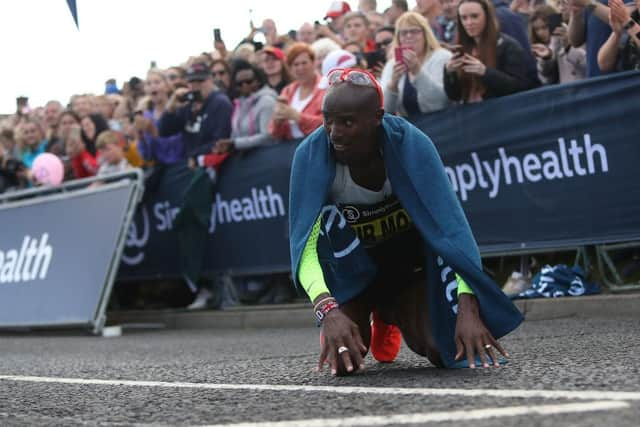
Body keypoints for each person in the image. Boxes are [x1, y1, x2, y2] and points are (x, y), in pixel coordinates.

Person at [289, 68, 522, 375]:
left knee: (448, 351)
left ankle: (390, 313)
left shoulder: (411, 144)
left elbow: (453, 230)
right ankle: (371, 309)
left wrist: (468, 307)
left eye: (347, 122)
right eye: (328, 120)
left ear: (377, 118)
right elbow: (305, 248)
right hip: (352, 274)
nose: (334, 133)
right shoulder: (310, 156)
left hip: (407, 271)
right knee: (344, 363)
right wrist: (326, 309)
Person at [444, 0, 530, 103]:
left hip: (500, 112)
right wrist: (449, 73)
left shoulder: (508, 46)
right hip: (469, 113)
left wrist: (485, 72)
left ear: (487, 17)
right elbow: (454, 96)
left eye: (475, 16)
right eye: (464, 18)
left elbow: (519, 87)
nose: (469, 22)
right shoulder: (461, 47)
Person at [381, 12, 452, 116]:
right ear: (398, 38)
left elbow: (440, 103)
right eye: (404, 33)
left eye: (414, 31)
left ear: (425, 34)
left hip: (440, 123)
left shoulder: (442, 57)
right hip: (408, 128)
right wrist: (393, 84)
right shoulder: (392, 64)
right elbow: (385, 109)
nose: (409, 36)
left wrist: (417, 71)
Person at [158, 62, 233, 158]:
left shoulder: (220, 103)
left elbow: (220, 141)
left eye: (200, 81)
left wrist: (194, 155)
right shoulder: (188, 103)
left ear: (210, 80)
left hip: (212, 161)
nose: (196, 85)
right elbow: (164, 132)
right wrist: (170, 108)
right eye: (191, 81)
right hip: (190, 161)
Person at [269, 43, 325, 140]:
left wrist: (298, 117)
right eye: (296, 64)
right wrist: (277, 121)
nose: (300, 68)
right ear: (290, 68)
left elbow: (327, 123)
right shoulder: (287, 91)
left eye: (304, 63)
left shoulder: (325, 87)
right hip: (291, 147)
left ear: (313, 63)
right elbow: (274, 133)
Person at [530, 5, 587, 84]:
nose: (540, 33)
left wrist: (568, 47)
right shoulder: (539, 48)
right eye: (537, 29)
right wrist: (547, 57)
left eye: (544, 27)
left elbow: (586, 64)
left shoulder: (574, 34)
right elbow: (545, 78)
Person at [597, 0, 640, 72]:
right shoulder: (632, 15)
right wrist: (617, 34)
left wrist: (627, 21)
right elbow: (603, 64)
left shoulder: (629, 21)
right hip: (628, 81)